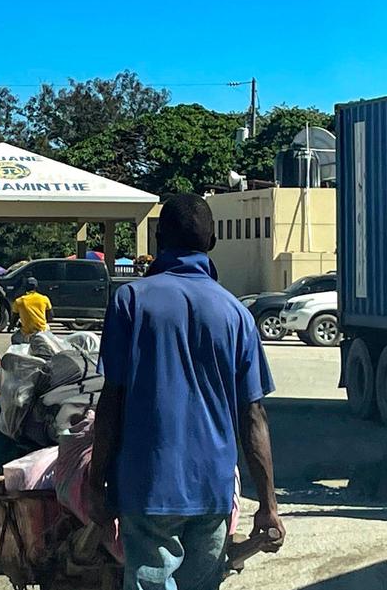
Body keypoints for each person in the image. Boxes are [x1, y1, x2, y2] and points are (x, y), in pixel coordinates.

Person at [89, 194, 284, 590]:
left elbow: (113, 400)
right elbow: (253, 416)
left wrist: (96, 482)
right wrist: (268, 504)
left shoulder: (131, 301)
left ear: (159, 238)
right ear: (211, 243)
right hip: (212, 488)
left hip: (147, 485)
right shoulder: (236, 314)